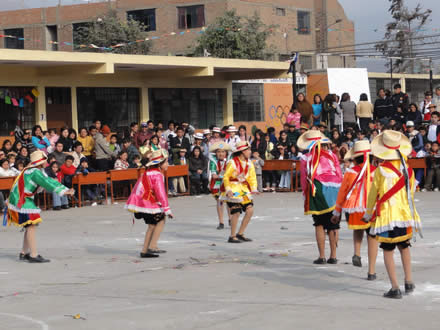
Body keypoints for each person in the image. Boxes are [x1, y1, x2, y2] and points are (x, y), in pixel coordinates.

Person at [362, 130, 422, 299]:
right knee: (404, 246)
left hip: (387, 215)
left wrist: (368, 214)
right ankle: (409, 281)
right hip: (404, 215)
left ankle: (395, 288)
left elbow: (373, 194)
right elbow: (411, 194)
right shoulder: (408, 170)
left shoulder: (380, 171)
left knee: (388, 250)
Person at [6, 150, 74, 263]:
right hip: (23, 200)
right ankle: (33, 255)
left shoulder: (29, 170)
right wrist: (65, 191)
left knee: (30, 225)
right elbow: (47, 182)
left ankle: (24, 253)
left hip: (19, 199)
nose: (46, 163)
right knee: (31, 225)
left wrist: (64, 189)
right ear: (40, 161)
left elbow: (47, 180)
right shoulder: (35, 172)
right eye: (45, 161)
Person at [331, 140, 378, 280]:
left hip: (354, 207)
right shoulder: (377, 172)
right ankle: (371, 271)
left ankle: (357, 252)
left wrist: (337, 211)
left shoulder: (350, 172)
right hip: (372, 207)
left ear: (355, 157)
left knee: (358, 230)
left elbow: (342, 192)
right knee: (372, 237)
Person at [299, 130, 342, 264]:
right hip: (335, 189)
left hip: (318, 189)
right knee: (333, 224)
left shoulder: (306, 158)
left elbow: (303, 178)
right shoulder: (332, 155)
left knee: (319, 224)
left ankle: (322, 256)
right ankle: (333, 256)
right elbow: (339, 173)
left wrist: (306, 195)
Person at [125, 149, 173, 258]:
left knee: (152, 225)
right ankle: (152, 245)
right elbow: (161, 193)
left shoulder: (147, 173)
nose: (168, 164)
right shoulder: (157, 175)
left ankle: (145, 250)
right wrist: (167, 209)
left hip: (140, 202)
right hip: (146, 203)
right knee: (160, 220)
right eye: (166, 162)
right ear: (160, 164)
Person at [222, 141, 258, 243]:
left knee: (250, 211)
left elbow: (252, 177)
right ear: (242, 152)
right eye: (248, 150)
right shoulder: (232, 162)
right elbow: (226, 177)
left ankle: (240, 233)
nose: (250, 152)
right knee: (236, 211)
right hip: (233, 190)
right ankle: (232, 236)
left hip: (243, 190)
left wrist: (254, 188)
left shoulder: (249, 163)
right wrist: (228, 189)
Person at [208, 142, 232, 229]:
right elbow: (214, 175)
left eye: (222, 152)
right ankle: (221, 222)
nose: (221, 154)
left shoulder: (230, 160)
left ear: (226, 153)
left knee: (229, 201)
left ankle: (230, 219)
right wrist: (221, 176)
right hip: (217, 183)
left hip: (227, 183)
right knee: (219, 201)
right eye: (218, 152)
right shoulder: (213, 161)